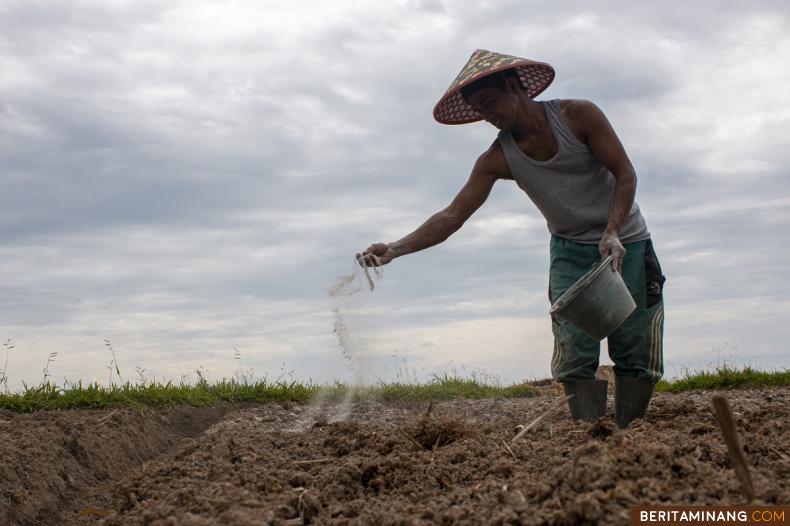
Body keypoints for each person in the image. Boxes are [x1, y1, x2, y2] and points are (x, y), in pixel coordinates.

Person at [356, 49, 666, 429]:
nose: (489, 116)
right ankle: (593, 435)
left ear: (512, 86)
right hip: (570, 250)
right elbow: (452, 216)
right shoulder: (498, 158)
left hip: (626, 241)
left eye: (490, 102)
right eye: (480, 111)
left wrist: (613, 230)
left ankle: (629, 433)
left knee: (634, 345)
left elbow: (625, 173)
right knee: (574, 350)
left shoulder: (578, 115)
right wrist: (396, 249)